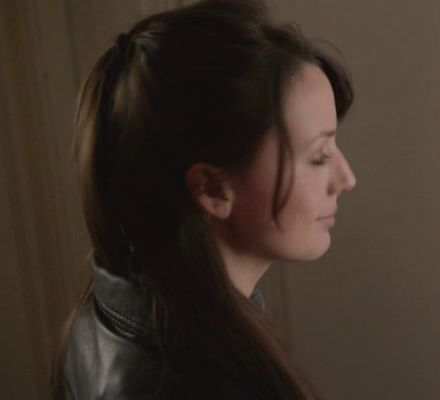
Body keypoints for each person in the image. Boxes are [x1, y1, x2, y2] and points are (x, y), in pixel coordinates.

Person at [50, 0, 357, 398]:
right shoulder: (196, 382)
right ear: (212, 188)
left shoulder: (108, 309)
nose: (346, 178)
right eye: (318, 157)